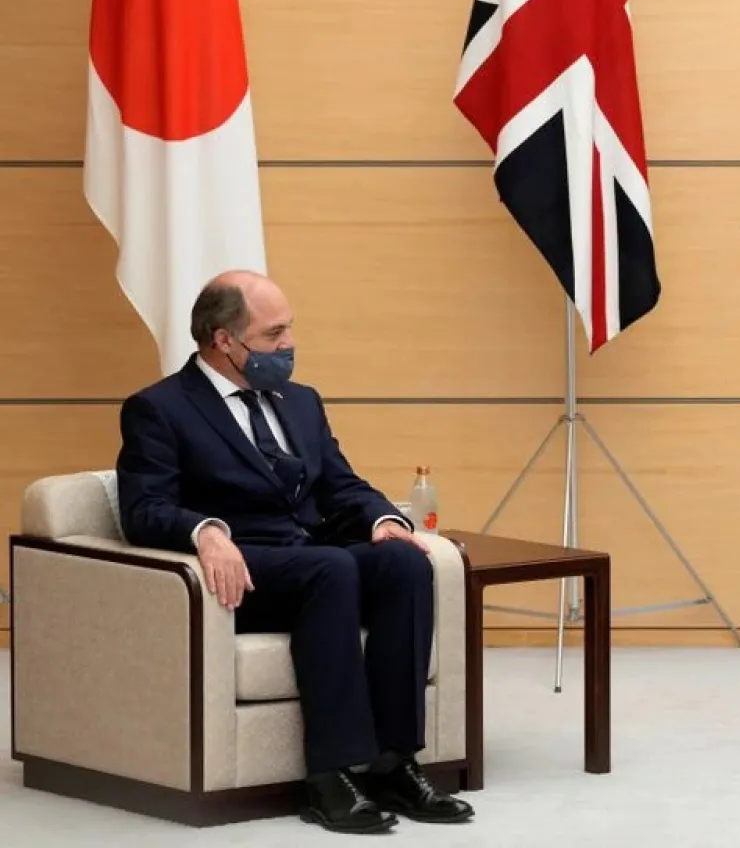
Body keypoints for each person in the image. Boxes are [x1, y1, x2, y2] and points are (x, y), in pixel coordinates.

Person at [116, 271, 474, 834]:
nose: (287, 345)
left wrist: (383, 519)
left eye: (289, 330)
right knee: (329, 566)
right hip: (245, 573)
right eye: (273, 333)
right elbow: (143, 509)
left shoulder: (300, 402)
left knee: (404, 561)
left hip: (314, 562)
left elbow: (341, 483)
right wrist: (206, 531)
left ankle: (393, 763)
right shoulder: (160, 409)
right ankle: (329, 775)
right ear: (223, 340)